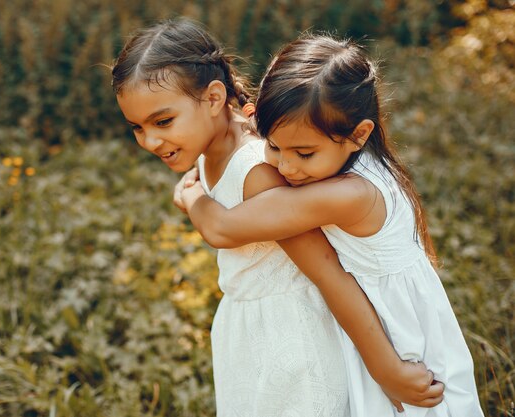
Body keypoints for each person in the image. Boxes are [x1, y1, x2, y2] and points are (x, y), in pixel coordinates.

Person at [112, 19, 444, 416]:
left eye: (162, 122)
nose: (150, 140)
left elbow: (328, 272)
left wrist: (384, 367)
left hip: (293, 342)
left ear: (215, 98)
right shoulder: (207, 145)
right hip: (251, 329)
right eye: (137, 127)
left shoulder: (259, 170)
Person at [178, 33, 484, 417]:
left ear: (359, 135)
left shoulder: (349, 194)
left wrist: (190, 195)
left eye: (304, 153)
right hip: (376, 327)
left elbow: (222, 228)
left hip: (401, 342)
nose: (286, 167)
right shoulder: (348, 160)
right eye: (273, 146)